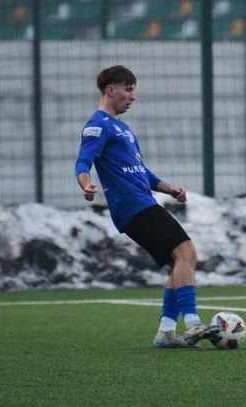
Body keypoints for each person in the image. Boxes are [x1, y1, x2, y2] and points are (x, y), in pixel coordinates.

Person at [75, 65, 218, 348]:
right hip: (132, 206)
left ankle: (166, 332)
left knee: (178, 262)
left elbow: (140, 171)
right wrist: (86, 184)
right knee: (187, 252)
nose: (133, 97)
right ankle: (192, 323)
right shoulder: (97, 125)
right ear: (111, 90)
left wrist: (169, 189)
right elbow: (83, 160)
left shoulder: (123, 128)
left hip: (142, 202)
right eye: (128, 90)